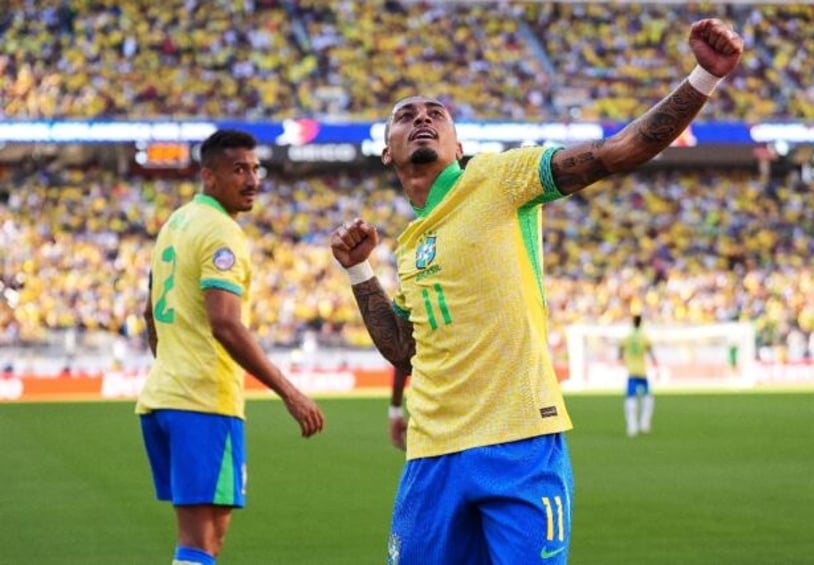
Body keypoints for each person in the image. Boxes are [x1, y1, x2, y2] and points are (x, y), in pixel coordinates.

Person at [330, 18, 743, 565]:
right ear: (388, 151)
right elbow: (401, 349)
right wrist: (360, 273)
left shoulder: (501, 178)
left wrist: (703, 78)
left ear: (460, 144)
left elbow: (620, 150)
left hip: (520, 440)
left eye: (436, 113)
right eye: (405, 116)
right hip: (431, 452)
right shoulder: (409, 246)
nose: (422, 118)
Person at [137, 129, 325, 565]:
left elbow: (150, 314)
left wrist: (171, 367)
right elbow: (225, 323)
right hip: (204, 402)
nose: (252, 179)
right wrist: (290, 392)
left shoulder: (175, 223)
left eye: (256, 169)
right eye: (239, 169)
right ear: (209, 175)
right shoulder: (222, 233)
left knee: (193, 541)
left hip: (164, 398)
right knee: (204, 544)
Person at [620, 314, 659, 437]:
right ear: (641, 322)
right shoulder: (644, 336)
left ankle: (632, 427)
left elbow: (620, 350)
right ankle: (644, 424)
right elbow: (650, 351)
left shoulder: (627, 337)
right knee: (648, 397)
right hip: (642, 371)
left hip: (631, 371)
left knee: (631, 398)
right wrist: (655, 362)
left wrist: (622, 358)